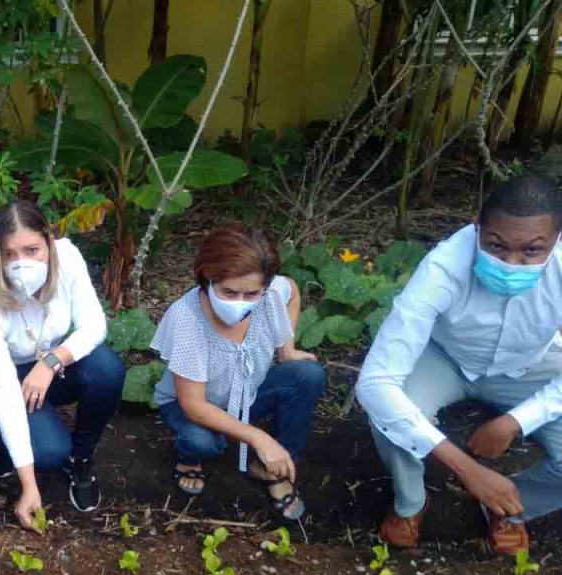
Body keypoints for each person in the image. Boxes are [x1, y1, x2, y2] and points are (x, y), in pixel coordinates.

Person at [356, 176, 562, 555]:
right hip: (446, 360)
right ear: (476, 227)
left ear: (556, 241)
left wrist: (517, 421)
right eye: (496, 246)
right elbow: (374, 383)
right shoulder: (443, 267)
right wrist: (468, 470)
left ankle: (513, 507)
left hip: (529, 366)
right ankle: (411, 502)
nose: (511, 264)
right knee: (390, 412)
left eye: (532, 251)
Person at [0, 200, 125, 528]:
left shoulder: (69, 259)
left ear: (49, 242)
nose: (21, 263)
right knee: (48, 453)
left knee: (106, 369)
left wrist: (50, 363)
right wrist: (29, 485)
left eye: (32, 250)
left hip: (46, 366)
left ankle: (81, 459)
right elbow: (5, 390)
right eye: (10, 254)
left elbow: (94, 326)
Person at [151, 222, 326, 519]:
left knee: (308, 376)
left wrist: (287, 348)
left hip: (246, 394)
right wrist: (259, 437)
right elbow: (193, 406)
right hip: (195, 406)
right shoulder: (187, 320)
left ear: (263, 287)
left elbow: (293, 291)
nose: (240, 304)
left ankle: (273, 466)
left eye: (251, 294)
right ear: (206, 277)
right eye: (229, 292)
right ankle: (190, 458)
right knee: (202, 441)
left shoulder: (270, 293)